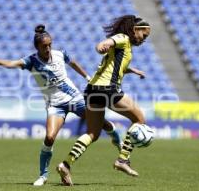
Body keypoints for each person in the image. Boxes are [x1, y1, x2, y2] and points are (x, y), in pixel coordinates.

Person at [0, 24, 122, 186]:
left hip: (75, 99)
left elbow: (74, 63)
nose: (48, 48)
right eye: (44, 46)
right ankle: (43, 175)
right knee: (49, 138)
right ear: (37, 47)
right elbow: (12, 64)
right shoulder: (31, 61)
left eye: (50, 45)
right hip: (55, 105)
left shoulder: (60, 54)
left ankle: (116, 140)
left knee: (101, 123)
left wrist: (87, 77)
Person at [56, 15, 150, 186]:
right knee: (139, 119)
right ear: (135, 29)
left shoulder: (126, 46)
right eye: (144, 35)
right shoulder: (123, 38)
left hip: (92, 90)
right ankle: (123, 160)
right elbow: (105, 44)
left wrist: (133, 70)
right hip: (108, 90)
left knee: (93, 133)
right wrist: (102, 45)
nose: (144, 39)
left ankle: (66, 164)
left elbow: (116, 65)